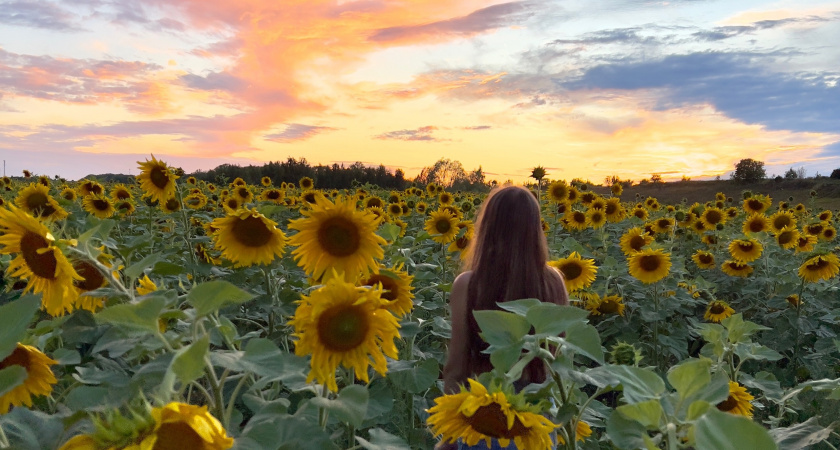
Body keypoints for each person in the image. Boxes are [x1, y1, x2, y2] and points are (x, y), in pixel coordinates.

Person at [437, 185, 570, 450]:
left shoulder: (469, 284)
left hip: (486, 415)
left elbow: (457, 367)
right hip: (537, 416)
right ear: (534, 230)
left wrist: (448, 435)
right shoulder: (554, 281)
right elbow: (558, 356)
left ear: (487, 227)